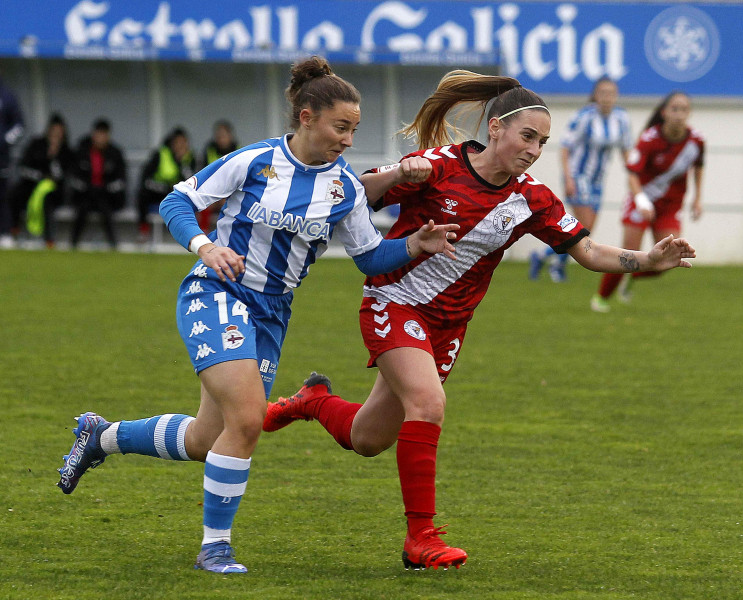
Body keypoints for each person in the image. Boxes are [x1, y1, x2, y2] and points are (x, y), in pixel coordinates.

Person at [263, 71, 696, 570]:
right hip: (395, 302)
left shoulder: (533, 198)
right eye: (527, 136)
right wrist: (402, 174)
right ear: (495, 129)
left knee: (368, 438)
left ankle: (313, 401)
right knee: (428, 402)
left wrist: (646, 260)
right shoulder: (440, 165)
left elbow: (590, 250)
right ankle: (420, 538)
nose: (534, 150)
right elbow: (358, 193)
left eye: (543, 142)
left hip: (448, 327)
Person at [55, 56, 459, 575]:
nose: (348, 140)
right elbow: (178, 202)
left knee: (207, 439)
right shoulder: (254, 161)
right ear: (307, 117)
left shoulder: (346, 190)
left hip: (272, 314)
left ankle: (101, 435)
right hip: (217, 292)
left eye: (355, 130)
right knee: (247, 420)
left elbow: (369, 256)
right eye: (341, 127)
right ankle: (215, 547)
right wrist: (205, 247)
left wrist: (415, 246)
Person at [592, 90, 704, 313]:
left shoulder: (696, 141)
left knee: (667, 259)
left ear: (689, 113)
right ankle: (601, 299)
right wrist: (641, 200)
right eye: (674, 109)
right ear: (664, 112)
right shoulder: (649, 138)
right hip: (641, 202)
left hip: (670, 206)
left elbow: (698, 167)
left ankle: (631, 278)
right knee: (627, 254)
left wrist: (697, 198)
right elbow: (632, 173)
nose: (679, 114)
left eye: (683, 109)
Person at [530, 76, 631, 283]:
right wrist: (569, 178)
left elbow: (626, 151)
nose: (607, 98)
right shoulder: (584, 117)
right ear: (595, 95)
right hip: (579, 176)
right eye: (602, 93)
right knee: (583, 226)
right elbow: (565, 147)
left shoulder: (621, 119)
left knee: (586, 229)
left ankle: (542, 256)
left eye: (611, 93)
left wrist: (633, 177)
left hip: (598, 179)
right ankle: (557, 266)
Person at [3, 113, 73, 247]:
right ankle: (12, 231)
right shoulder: (37, 144)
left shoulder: (65, 151)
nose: (56, 135)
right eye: (54, 131)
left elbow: (63, 176)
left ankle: (49, 240)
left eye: (59, 132)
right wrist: (40, 174)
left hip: (53, 191)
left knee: (46, 200)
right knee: (14, 194)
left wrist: (53, 158)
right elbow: (24, 167)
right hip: (31, 186)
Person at [69, 119, 127, 250]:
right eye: (98, 134)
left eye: (103, 134)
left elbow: (121, 180)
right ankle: (73, 244)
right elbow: (74, 177)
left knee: (105, 208)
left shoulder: (115, 154)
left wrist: (104, 189)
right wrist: (88, 188)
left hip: (107, 196)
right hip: (85, 195)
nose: (100, 138)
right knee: (82, 209)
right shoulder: (82, 152)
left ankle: (113, 245)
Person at [138, 127, 197, 242]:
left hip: (177, 193)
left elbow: (191, 181)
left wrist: (182, 162)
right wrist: (164, 187)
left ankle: (189, 234)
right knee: (142, 195)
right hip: (157, 191)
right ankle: (143, 231)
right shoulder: (161, 154)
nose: (180, 146)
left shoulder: (190, 158)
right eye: (177, 142)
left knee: (192, 199)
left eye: (183, 142)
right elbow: (146, 178)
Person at [196, 120, 239, 233]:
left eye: (224, 136)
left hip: (232, 191)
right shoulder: (209, 150)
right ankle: (202, 234)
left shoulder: (239, 150)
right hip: (213, 190)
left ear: (230, 136)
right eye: (219, 136)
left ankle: (231, 234)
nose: (222, 139)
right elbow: (203, 173)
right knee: (203, 204)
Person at [0, 72, 26, 248]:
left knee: (2, 195)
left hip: (1, 157)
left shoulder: (7, 96)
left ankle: (5, 232)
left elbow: (19, 124)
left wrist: (4, 141)